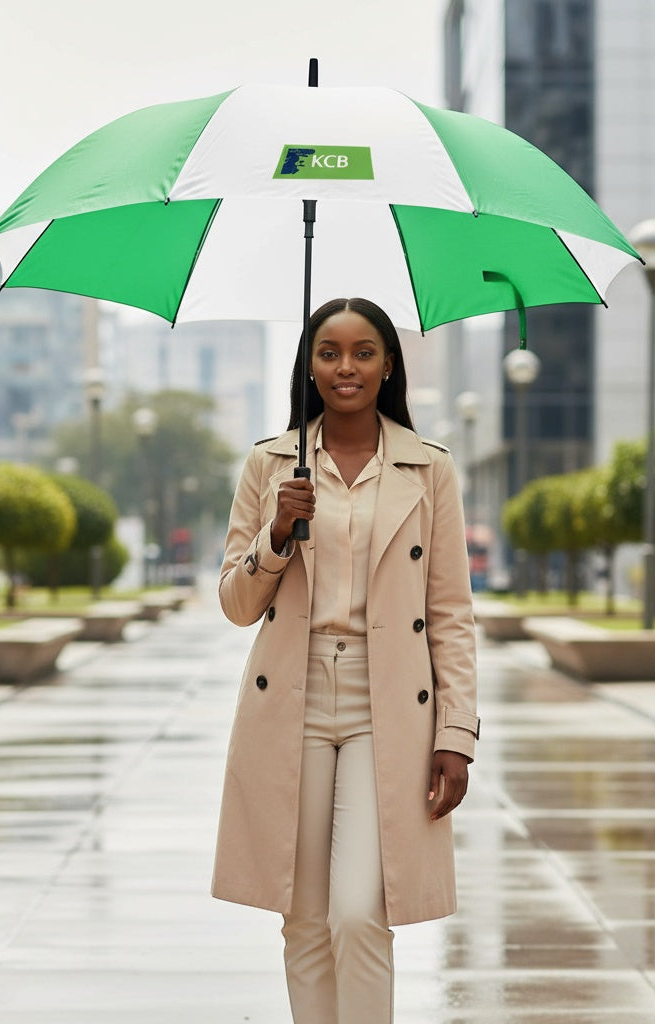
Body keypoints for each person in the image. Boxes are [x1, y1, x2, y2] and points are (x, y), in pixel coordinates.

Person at [212, 297, 479, 1023]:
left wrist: (457, 736)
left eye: (364, 352)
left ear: (389, 364)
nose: (346, 367)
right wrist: (277, 529)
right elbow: (237, 603)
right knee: (302, 916)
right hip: (289, 699)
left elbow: (451, 614)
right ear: (309, 365)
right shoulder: (271, 463)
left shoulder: (429, 469)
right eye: (328, 352)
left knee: (360, 910)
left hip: (385, 700)